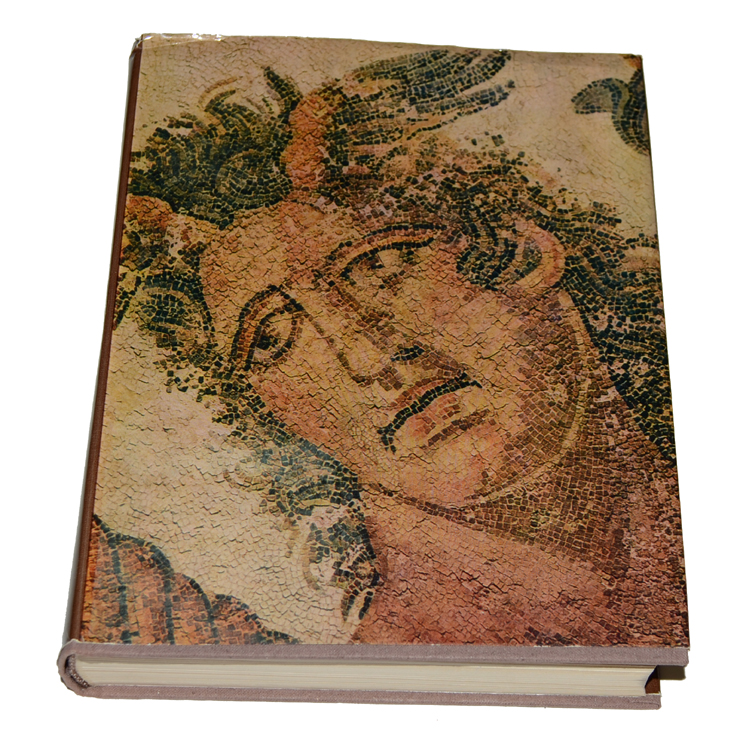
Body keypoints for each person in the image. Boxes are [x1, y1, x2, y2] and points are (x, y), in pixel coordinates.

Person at [86, 49, 688, 647]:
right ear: (266, 411)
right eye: (273, 339)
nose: (367, 358)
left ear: (522, 250)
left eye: (379, 265)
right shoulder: (393, 655)